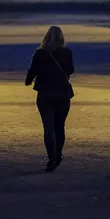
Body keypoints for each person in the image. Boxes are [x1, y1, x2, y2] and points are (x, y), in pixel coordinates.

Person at [25, 26, 75, 172]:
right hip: (62, 93)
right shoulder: (67, 52)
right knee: (59, 126)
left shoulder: (40, 53)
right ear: (61, 38)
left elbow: (33, 70)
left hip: (45, 94)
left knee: (48, 128)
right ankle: (59, 155)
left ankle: (51, 159)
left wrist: (28, 81)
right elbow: (71, 70)